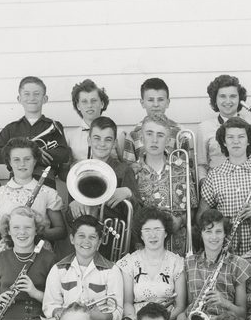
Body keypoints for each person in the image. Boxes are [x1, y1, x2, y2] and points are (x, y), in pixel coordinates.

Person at [42, 215, 124, 320]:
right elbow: (49, 305)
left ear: (99, 242)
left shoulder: (111, 270)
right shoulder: (59, 269)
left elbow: (117, 310)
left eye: (92, 237)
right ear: (72, 239)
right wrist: (58, 311)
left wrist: (102, 316)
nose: (86, 241)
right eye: (81, 236)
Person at [197, 116, 251, 256]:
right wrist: (221, 221)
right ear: (224, 141)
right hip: (225, 254)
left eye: (241, 137)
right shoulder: (214, 175)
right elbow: (201, 218)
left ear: (248, 141)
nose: (236, 142)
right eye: (230, 137)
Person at [177, 210, 251, 320]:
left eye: (219, 231)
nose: (213, 236)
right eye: (208, 231)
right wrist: (180, 316)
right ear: (201, 234)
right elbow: (187, 304)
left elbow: (242, 314)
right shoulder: (188, 264)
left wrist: (225, 303)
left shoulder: (237, 264)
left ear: (225, 234)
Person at [64, 116, 141, 259]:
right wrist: (73, 207)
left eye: (108, 139)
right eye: (97, 138)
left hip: (115, 245)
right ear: (89, 140)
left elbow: (139, 215)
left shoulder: (124, 171)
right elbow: (69, 220)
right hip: (86, 245)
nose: (102, 144)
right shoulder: (77, 171)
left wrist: (129, 193)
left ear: (115, 143)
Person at [115, 208, 187, 320]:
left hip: (166, 319)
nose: (152, 235)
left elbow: (180, 306)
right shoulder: (129, 262)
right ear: (141, 234)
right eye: (147, 230)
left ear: (166, 233)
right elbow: (127, 302)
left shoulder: (177, 263)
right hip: (136, 319)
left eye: (157, 230)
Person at [0, 137, 66, 256]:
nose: (22, 164)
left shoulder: (48, 193)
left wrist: (35, 231)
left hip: (40, 256)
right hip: (7, 257)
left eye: (27, 159)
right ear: (9, 162)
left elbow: (61, 231)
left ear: (35, 161)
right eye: (16, 159)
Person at [0, 76, 70, 189]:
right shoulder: (11, 128)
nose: (32, 98)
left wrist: (38, 154)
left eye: (37, 94)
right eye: (26, 94)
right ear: (19, 99)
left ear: (45, 99)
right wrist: (28, 152)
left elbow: (64, 154)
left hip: (46, 182)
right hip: (16, 184)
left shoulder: (53, 126)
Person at [132, 113, 198, 257]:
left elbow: (193, 208)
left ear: (168, 140)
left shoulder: (182, 168)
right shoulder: (133, 172)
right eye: (149, 134)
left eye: (160, 135)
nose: (154, 140)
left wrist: (180, 220)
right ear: (142, 139)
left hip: (179, 247)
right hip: (146, 250)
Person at [197, 74, 250, 184]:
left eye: (233, 96)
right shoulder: (204, 127)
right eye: (222, 96)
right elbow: (201, 164)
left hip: (246, 184)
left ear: (240, 99)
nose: (227, 101)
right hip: (215, 185)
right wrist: (205, 185)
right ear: (215, 99)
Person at [123, 77, 182, 162]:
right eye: (150, 100)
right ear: (143, 103)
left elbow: (188, 166)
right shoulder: (133, 133)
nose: (156, 104)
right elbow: (129, 168)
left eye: (160, 100)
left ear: (167, 102)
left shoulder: (179, 132)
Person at [65, 78, 112, 165]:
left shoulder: (116, 134)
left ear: (102, 104)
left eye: (94, 101)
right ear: (78, 106)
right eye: (84, 102)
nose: (89, 105)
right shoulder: (69, 137)